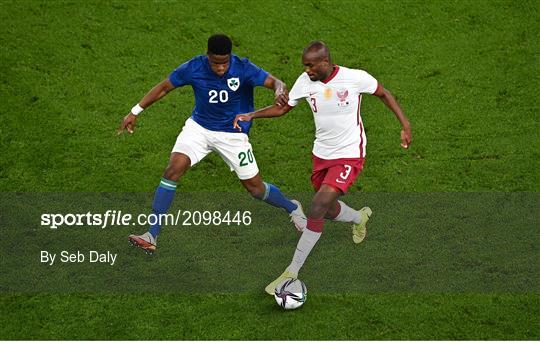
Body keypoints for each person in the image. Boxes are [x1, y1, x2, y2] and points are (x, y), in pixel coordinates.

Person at [233, 41, 412, 294]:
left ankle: (290, 273)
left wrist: (405, 125)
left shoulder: (354, 78)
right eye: (304, 65)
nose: (306, 70)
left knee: (316, 207)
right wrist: (252, 115)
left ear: (325, 62)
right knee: (327, 210)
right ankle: (360, 217)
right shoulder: (306, 82)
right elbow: (283, 108)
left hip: (350, 155)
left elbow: (384, 93)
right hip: (321, 156)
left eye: (310, 65)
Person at [118, 34, 306, 254]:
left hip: (233, 135)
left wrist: (279, 89)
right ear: (207, 57)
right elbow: (163, 87)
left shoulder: (243, 68)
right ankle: (151, 234)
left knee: (255, 188)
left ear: (230, 57)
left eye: (225, 62)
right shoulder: (194, 67)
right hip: (199, 129)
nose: (221, 68)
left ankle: (292, 207)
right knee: (172, 170)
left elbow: (275, 81)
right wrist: (134, 111)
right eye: (216, 63)